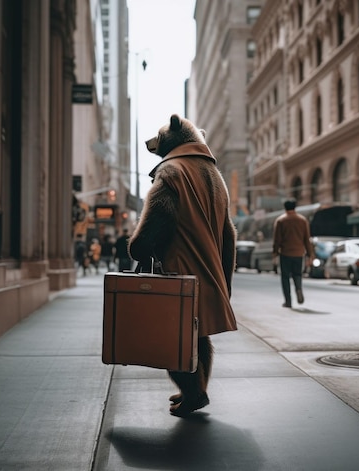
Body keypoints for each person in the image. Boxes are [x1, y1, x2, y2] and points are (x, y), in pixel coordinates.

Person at [128, 114, 236, 418]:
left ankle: (194, 393)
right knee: (199, 335)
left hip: (178, 272)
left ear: (173, 137)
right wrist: (225, 281)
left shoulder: (172, 172)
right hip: (208, 271)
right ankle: (196, 388)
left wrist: (138, 248)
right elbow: (229, 235)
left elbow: (156, 221)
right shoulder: (214, 175)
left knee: (172, 337)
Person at [272, 197, 314, 308]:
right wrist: (310, 255)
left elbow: (277, 240)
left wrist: (275, 253)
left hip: (285, 253)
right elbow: (307, 239)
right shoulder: (302, 220)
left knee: (285, 277)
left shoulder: (281, 220)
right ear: (295, 207)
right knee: (297, 275)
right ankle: (299, 289)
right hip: (299, 253)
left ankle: (288, 301)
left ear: (285, 208)